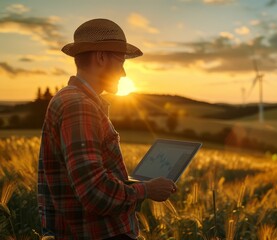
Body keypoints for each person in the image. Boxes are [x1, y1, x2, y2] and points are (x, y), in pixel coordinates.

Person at [37, 18, 177, 240]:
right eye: (121, 62)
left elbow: (87, 180)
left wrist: (137, 184)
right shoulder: (79, 106)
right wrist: (147, 190)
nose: (123, 73)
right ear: (101, 57)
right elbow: (94, 193)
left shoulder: (71, 100)